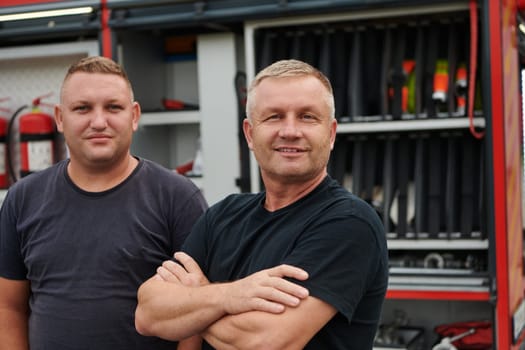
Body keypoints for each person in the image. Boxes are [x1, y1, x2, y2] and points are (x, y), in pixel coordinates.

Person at [135, 59, 389, 349]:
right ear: (249, 134)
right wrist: (230, 296)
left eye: (307, 117)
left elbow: (263, 342)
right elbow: (148, 314)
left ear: (330, 134)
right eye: (274, 117)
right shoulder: (222, 216)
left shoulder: (349, 223)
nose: (290, 131)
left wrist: (197, 298)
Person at [0, 56, 208, 350]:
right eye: (82, 108)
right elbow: (8, 307)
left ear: (134, 116)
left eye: (113, 107)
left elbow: (197, 311)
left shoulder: (178, 198)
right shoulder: (22, 198)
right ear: (60, 118)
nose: (99, 122)